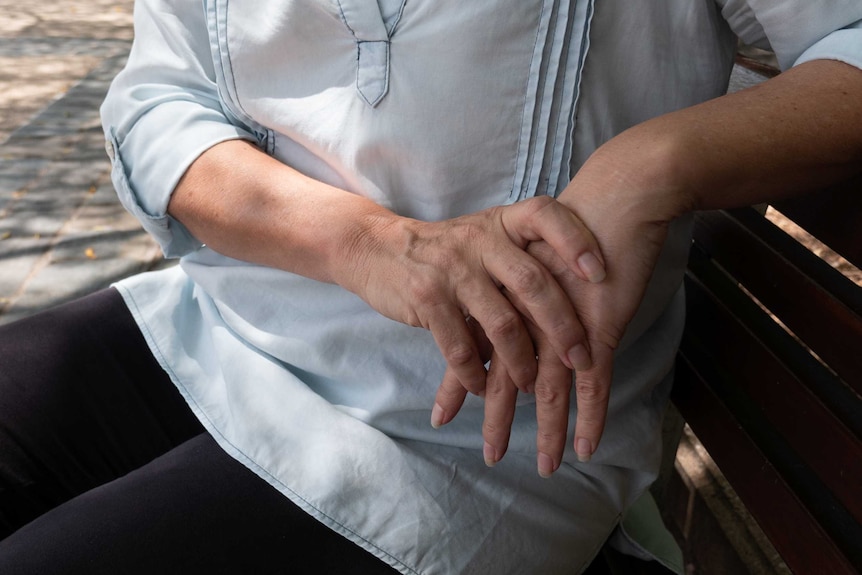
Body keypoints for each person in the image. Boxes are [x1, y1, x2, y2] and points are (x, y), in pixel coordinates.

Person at [1, 1, 860, 573]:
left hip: (454, 453)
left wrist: (657, 163)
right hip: (219, 329)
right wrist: (370, 244)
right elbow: (159, 96)